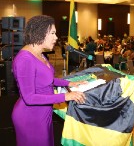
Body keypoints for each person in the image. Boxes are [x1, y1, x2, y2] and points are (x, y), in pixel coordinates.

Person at [12, 15, 87, 146]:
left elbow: (47, 80)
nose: (56, 37)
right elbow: (29, 98)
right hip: (30, 117)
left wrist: (69, 83)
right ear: (40, 32)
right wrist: (65, 96)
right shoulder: (25, 59)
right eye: (52, 33)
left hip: (42, 114)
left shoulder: (39, 53)